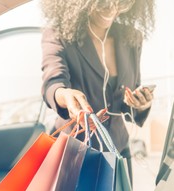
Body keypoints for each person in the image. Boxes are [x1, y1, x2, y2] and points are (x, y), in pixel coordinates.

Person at [40, 0, 156, 180]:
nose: (112, 8)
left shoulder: (132, 38)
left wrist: (140, 104)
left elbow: (127, 96)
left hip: (118, 149)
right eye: (103, 2)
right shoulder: (58, 35)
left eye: (122, 2)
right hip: (75, 152)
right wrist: (65, 95)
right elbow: (53, 83)